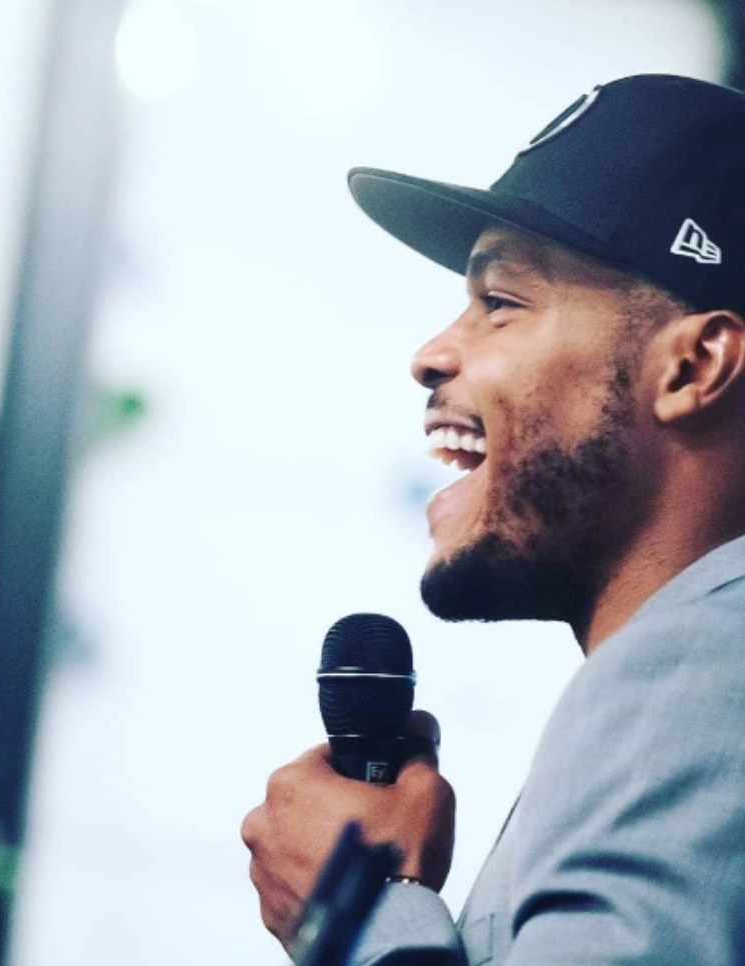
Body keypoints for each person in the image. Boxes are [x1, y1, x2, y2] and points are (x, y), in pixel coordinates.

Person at [240, 73, 745, 965]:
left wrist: (357, 913)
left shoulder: (696, 664)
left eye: (500, 302)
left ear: (694, 367)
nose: (431, 354)